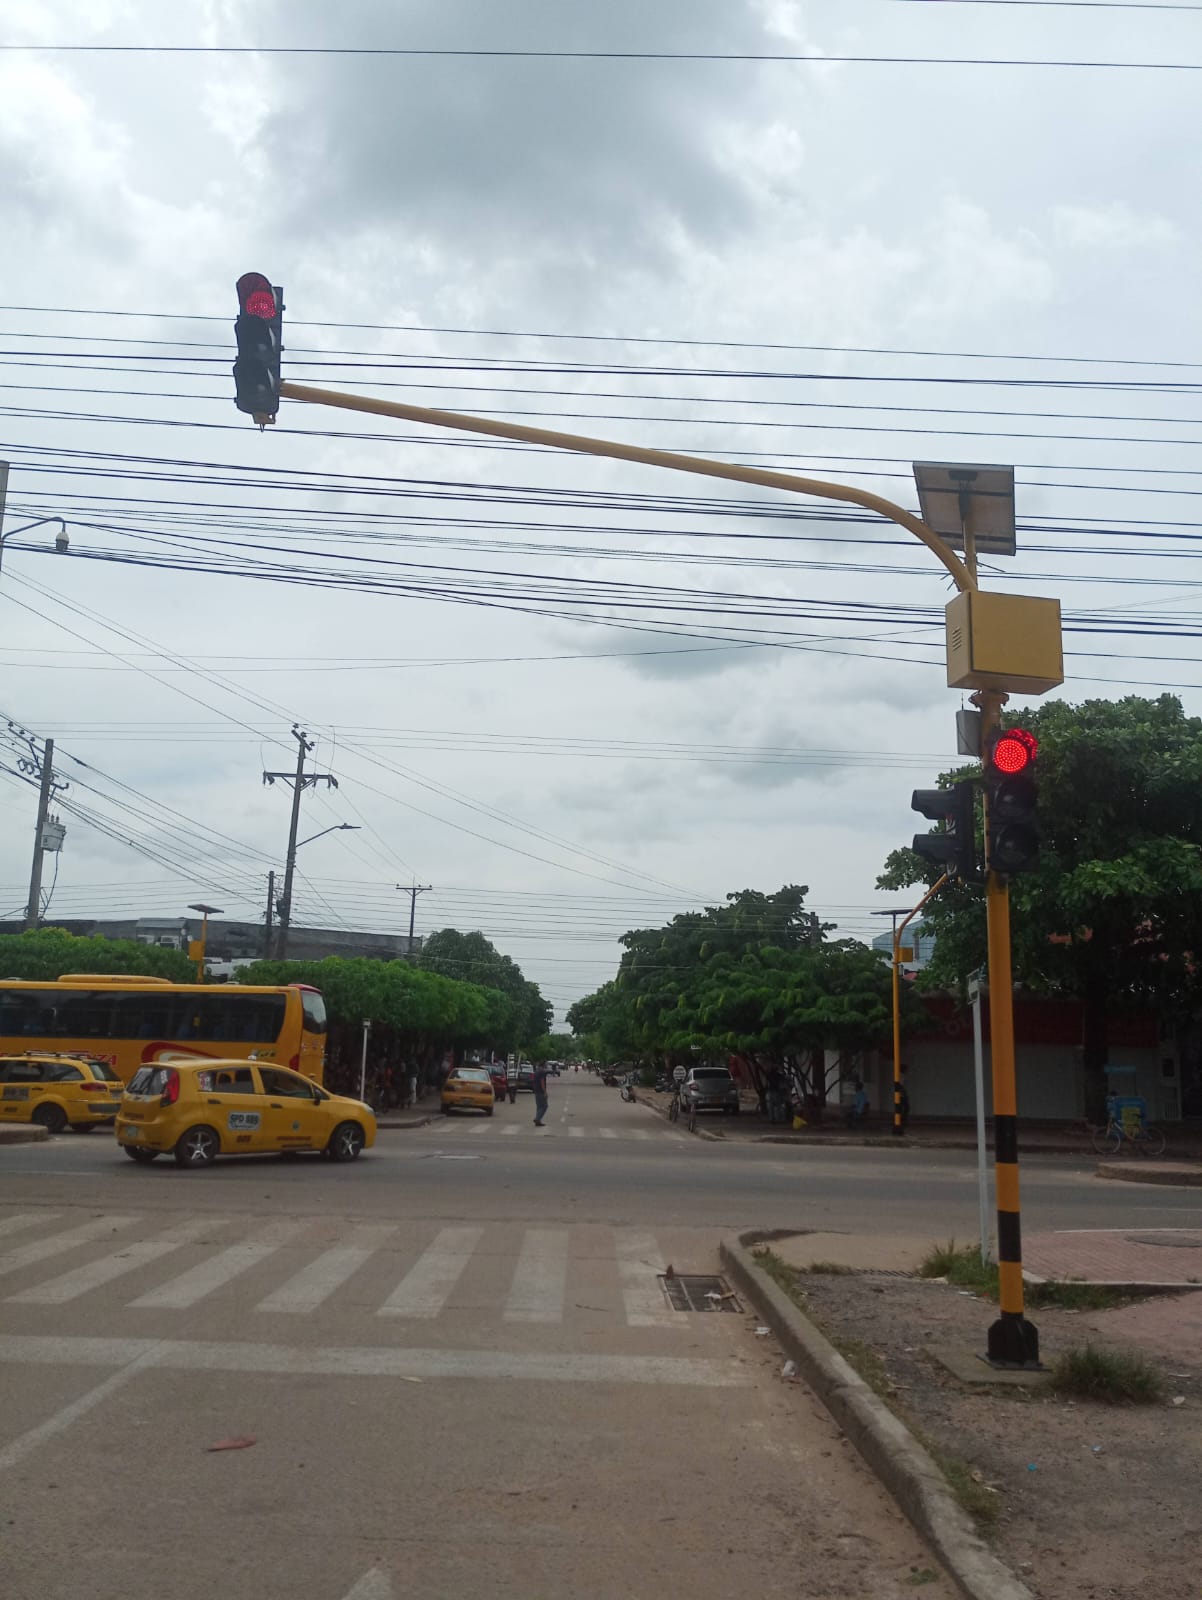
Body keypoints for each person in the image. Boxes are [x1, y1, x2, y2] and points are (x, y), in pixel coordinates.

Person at [532, 1060, 550, 1126]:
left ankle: (538, 1121)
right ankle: (537, 1118)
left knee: (539, 1106)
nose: (547, 1065)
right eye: (546, 1064)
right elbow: (542, 1082)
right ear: (544, 1064)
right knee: (545, 1106)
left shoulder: (537, 1071)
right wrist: (545, 1092)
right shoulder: (542, 1071)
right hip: (540, 1091)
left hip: (536, 1090)